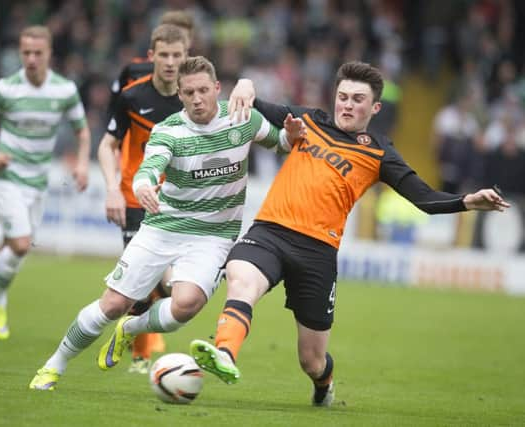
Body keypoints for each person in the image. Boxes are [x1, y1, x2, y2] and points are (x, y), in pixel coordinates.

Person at [189, 61, 510, 407]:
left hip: (317, 253)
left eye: (358, 99)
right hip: (270, 231)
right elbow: (255, 104)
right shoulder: (310, 120)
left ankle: (324, 385)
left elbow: (426, 199)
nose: (347, 104)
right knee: (241, 278)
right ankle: (225, 353)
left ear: (374, 108)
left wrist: (467, 201)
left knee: (311, 361)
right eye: (343, 96)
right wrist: (246, 83)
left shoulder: (379, 152)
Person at [29, 55, 303, 391]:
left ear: (217, 89)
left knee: (185, 306)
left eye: (203, 90)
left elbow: (282, 143)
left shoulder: (242, 119)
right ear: (180, 95)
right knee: (113, 303)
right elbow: (149, 167)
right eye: (189, 93)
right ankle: (53, 365)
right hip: (164, 228)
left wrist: (291, 136)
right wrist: (143, 187)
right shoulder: (168, 130)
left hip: (214, 236)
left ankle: (131, 330)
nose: (197, 98)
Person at [0, 25, 90, 340]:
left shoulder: (64, 90)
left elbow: (82, 131)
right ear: (20, 53)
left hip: (37, 182)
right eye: (26, 53)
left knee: (10, 248)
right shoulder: (6, 89)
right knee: (20, 245)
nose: (31, 59)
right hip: (5, 177)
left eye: (38, 53)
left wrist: (83, 164)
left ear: (49, 54)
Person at [108, 11, 195, 374]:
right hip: (135, 196)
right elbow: (110, 140)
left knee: (168, 289)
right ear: (153, 54)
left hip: (176, 203)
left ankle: (138, 340)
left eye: (180, 53)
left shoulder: (195, 96)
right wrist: (113, 187)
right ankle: (141, 354)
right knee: (140, 288)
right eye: (166, 54)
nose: (173, 61)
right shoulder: (132, 88)